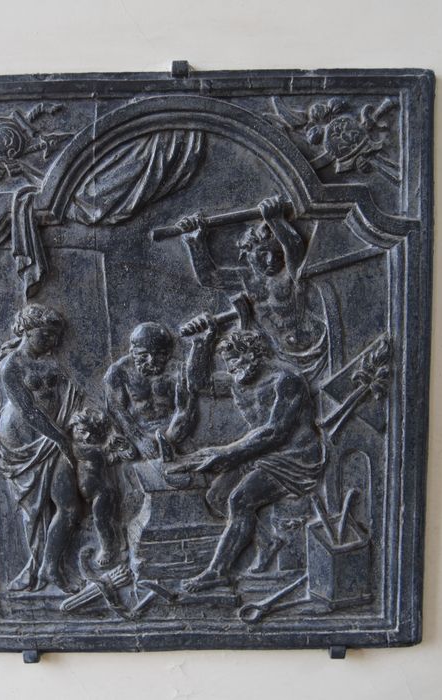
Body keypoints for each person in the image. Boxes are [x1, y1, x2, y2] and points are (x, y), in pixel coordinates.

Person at [177, 329, 325, 592]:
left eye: (234, 360)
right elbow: (198, 384)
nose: (231, 368)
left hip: (294, 458)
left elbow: (275, 432)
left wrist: (226, 453)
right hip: (259, 453)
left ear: (252, 354)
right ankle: (267, 543)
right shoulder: (239, 380)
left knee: (239, 500)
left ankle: (217, 573)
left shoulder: (286, 380)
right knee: (217, 496)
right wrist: (199, 343)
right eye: (227, 363)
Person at [0, 304, 83, 592]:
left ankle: (49, 568)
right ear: (27, 331)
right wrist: (60, 438)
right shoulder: (12, 366)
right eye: (46, 335)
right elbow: (28, 410)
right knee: (35, 511)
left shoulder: (51, 361)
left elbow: (70, 393)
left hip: (54, 436)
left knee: (69, 506)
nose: (52, 341)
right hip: (24, 443)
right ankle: (37, 567)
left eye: (55, 336)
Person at [178, 196, 327, 378]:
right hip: (281, 356)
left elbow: (294, 247)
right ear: (248, 253)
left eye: (277, 254)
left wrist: (276, 220)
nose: (271, 261)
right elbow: (209, 278)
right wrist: (196, 243)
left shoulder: (290, 274)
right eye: (263, 254)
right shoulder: (247, 278)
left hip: (316, 348)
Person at [104, 322, 212, 460]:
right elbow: (116, 410)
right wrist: (139, 439)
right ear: (132, 352)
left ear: (168, 353)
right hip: (136, 438)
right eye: (143, 355)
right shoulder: (119, 372)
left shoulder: (178, 370)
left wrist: (171, 437)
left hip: (177, 434)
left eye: (159, 354)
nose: (151, 360)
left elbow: (187, 408)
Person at [68, 408, 134, 569]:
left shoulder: (94, 451)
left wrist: (123, 447)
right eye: (82, 432)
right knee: (106, 521)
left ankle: (108, 549)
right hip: (92, 494)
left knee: (102, 522)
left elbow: (109, 458)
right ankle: (120, 541)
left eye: (91, 433)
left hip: (102, 493)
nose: (86, 437)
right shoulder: (80, 448)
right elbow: (98, 453)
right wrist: (111, 444)